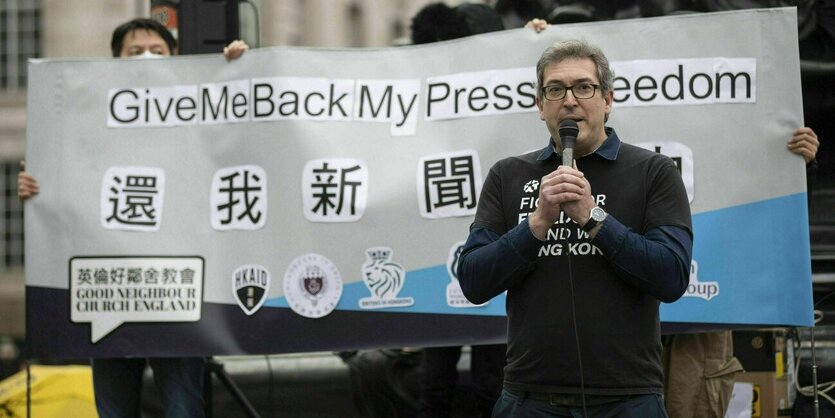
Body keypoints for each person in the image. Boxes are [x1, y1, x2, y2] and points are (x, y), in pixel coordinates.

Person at [19, 18, 247, 418]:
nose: (146, 59)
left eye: (157, 52)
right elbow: (66, 183)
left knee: (183, 408)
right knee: (114, 411)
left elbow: (245, 139)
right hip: (112, 292)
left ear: (176, 59)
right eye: (134, 51)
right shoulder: (87, 123)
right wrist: (37, 188)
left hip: (179, 295)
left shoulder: (203, 111)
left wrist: (238, 71)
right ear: (115, 62)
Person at [458, 38, 693, 417]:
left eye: (584, 87)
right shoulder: (508, 175)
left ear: (608, 100)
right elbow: (472, 280)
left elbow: (671, 276)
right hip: (529, 399)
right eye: (555, 89)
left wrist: (591, 216)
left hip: (628, 399)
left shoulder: (653, 172)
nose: (569, 100)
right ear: (540, 106)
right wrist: (535, 225)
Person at [663, 126, 820, 418]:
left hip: (702, 321)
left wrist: (798, 169)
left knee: (691, 405)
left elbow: (774, 224)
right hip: (631, 313)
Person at [410, 4, 508, 417]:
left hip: (491, 249)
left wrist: (539, 38)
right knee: (435, 381)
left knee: (491, 382)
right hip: (434, 257)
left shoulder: (506, 85)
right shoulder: (410, 84)